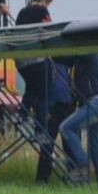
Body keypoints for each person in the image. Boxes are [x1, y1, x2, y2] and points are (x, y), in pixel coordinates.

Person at [59, 53, 98, 188]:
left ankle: (83, 163)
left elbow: (69, 58)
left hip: (96, 103)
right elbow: (64, 59)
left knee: (66, 128)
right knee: (95, 150)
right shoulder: (78, 60)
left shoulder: (88, 53)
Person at [14, 0, 53, 119]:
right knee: (44, 92)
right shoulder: (42, 10)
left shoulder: (21, 12)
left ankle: (23, 114)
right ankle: (42, 125)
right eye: (48, 4)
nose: (47, 7)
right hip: (36, 58)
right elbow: (48, 32)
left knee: (31, 87)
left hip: (21, 61)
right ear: (44, 1)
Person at [37, 55, 75, 183]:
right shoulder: (47, 60)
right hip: (53, 104)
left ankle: (72, 174)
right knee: (48, 143)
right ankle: (42, 178)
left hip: (67, 103)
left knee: (68, 143)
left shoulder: (65, 61)